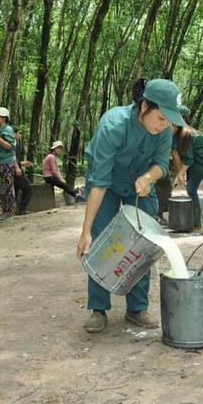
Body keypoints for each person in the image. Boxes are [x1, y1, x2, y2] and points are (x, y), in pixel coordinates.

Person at [77, 78, 186, 333]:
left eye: (169, 121)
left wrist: (148, 177)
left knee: (144, 242)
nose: (165, 125)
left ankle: (137, 308)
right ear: (145, 106)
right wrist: (86, 231)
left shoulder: (163, 131)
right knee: (102, 240)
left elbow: (161, 164)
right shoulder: (114, 125)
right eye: (161, 118)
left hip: (139, 187)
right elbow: (99, 183)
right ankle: (98, 307)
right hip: (108, 184)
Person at [171, 115, 203, 236]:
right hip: (195, 165)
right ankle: (196, 222)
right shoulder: (171, 136)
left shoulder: (188, 134)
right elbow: (175, 155)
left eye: (171, 123)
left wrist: (181, 173)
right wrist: (179, 174)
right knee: (191, 190)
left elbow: (188, 160)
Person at [0, 107, 17, 219]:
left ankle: (11, 212)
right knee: (6, 188)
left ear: (4, 118)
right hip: (2, 162)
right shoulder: (1, 130)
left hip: (7, 162)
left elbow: (11, 147)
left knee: (9, 188)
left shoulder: (8, 130)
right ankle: (7, 210)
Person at [12, 126, 32, 215]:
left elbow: (15, 159)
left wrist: (23, 163)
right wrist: (17, 168)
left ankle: (14, 210)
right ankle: (22, 208)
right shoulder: (11, 144)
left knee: (15, 191)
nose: (20, 135)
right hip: (15, 171)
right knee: (27, 188)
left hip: (14, 170)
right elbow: (11, 158)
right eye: (18, 133)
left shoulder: (15, 144)